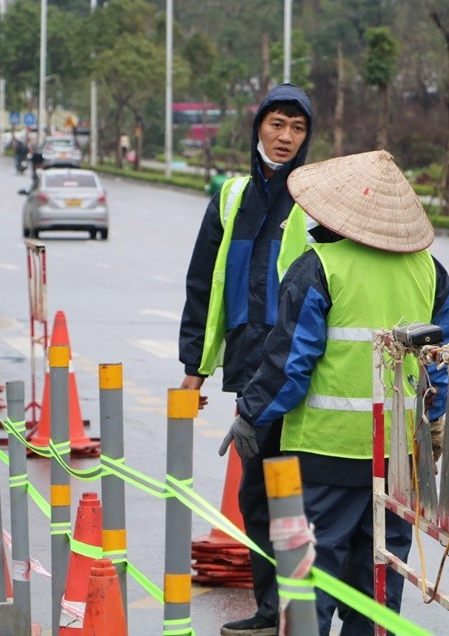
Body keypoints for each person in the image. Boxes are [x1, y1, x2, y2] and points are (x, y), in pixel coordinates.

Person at [221, 150, 449, 635]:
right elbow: (439, 364)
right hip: (398, 458)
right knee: (380, 573)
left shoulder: (318, 268)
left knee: (313, 572)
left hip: (325, 451)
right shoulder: (431, 272)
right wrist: (433, 423)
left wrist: (250, 413)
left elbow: (289, 365)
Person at [178, 83, 314, 636]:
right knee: (258, 490)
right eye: (277, 124)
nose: (285, 138)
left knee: (297, 489)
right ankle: (272, 606)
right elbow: (202, 288)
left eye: (298, 128)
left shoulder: (313, 195)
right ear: (257, 126)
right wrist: (195, 369)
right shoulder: (232, 197)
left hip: (301, 365)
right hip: (250, 365)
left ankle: (300, 608)